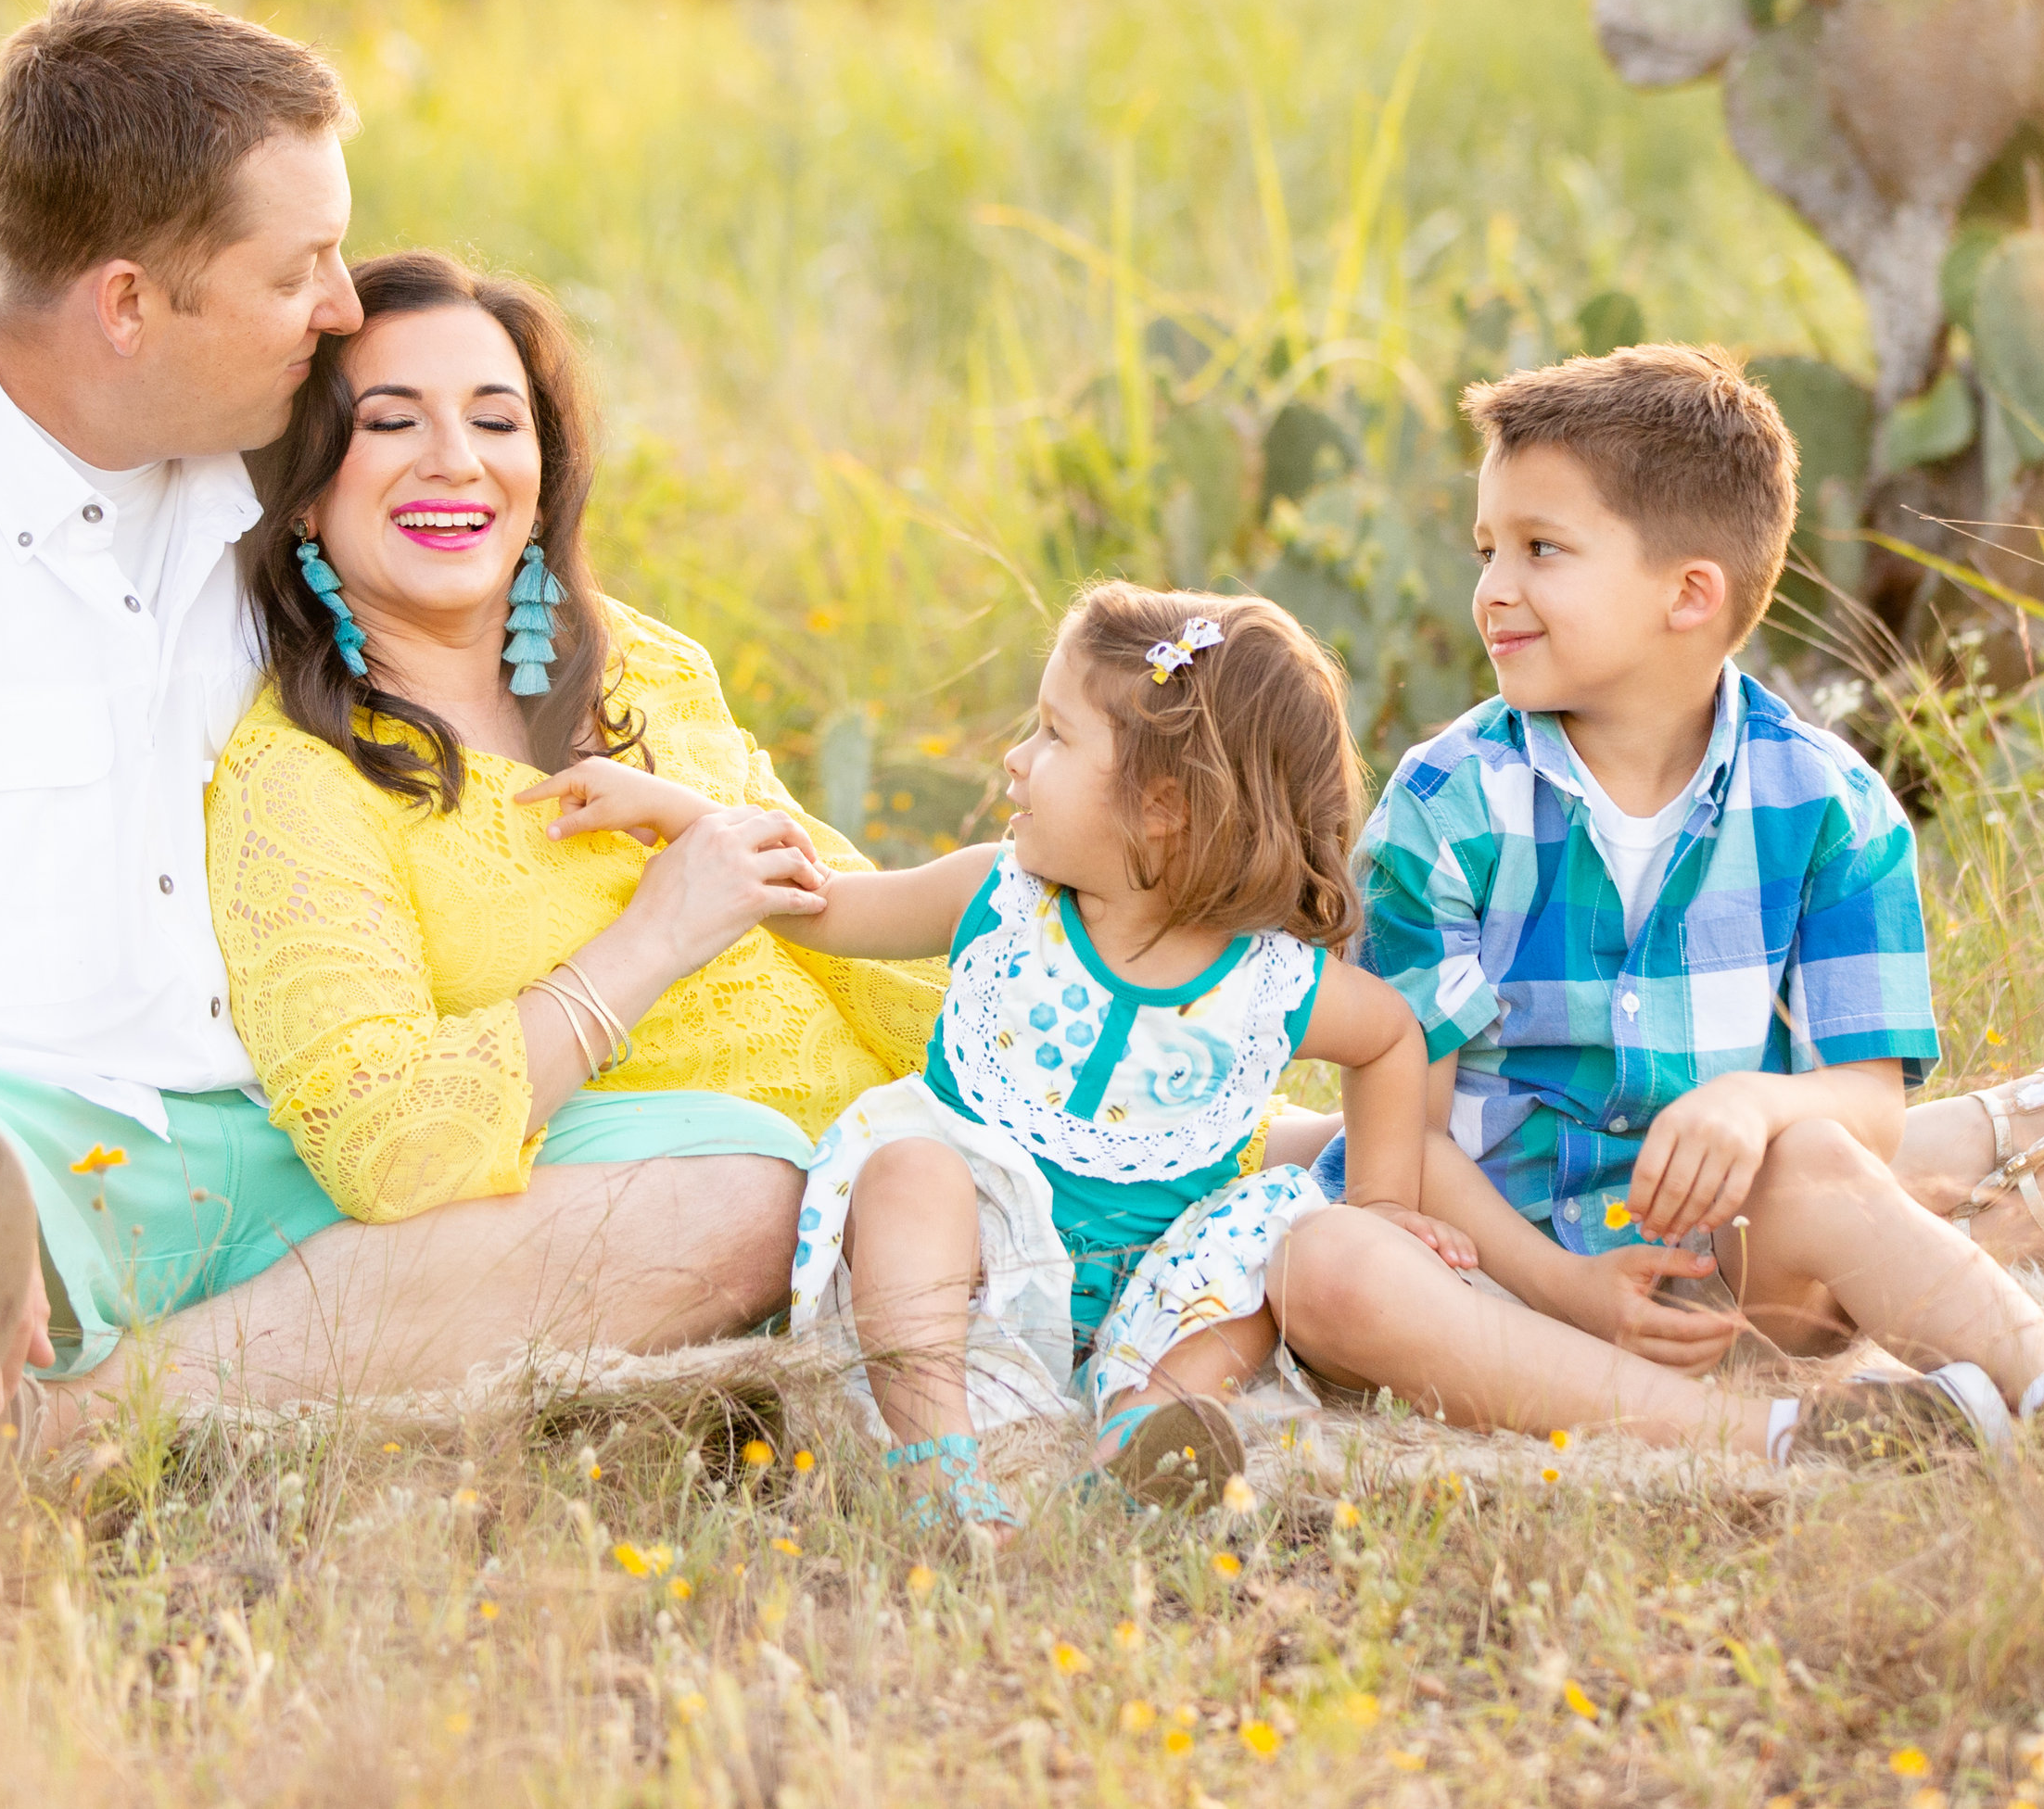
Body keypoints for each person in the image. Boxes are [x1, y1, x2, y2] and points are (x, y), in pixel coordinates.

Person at [0, 0, 796, 1614]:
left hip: (260, 1138)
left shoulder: (263, 459)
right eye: (298, 271)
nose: (341, 305)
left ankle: (89, 1428)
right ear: (126, 305)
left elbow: (484, 578)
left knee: (742, 1194)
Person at [1274, 345, 2044, 1476]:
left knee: (1815, 1159)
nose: (1492, 589)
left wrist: (1750, 1102)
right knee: (1325, 1265)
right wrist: (1564, 1284)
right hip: (1498, 1274)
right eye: (1486, 549)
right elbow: (1407, 1136)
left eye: (1541, 550)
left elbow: (1862, 1106)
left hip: (1721, 1271)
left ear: (1689, 593)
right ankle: (1806, 1430)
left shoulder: (1830, 806)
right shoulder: (1447, 805)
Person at [184, 251, 940, 1417]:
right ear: (302, 487)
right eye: (391, 423)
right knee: (751, 1191)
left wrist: (1069, 1060)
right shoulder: (300, 779)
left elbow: (836, 915)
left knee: (1281, 1158)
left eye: (498, 420)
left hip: (898, 1177)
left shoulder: (641, 667)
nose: (458, 460)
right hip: (685, 1213)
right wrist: (652, 937)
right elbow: (380, 1142)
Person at [541, 585, 1460, 1542]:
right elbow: (821, 903)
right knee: (909, 1171)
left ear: (1162, 809)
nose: (1015, 760)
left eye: (1054, 736)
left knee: (1261, 1231)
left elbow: (1392, 1036)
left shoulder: (1269, 984)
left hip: (1146, 1297)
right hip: (972, 1292)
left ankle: (1148, 1431)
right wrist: (679, 814)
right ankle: (939, 1453)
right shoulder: (999, 898)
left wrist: (1384, 1203)